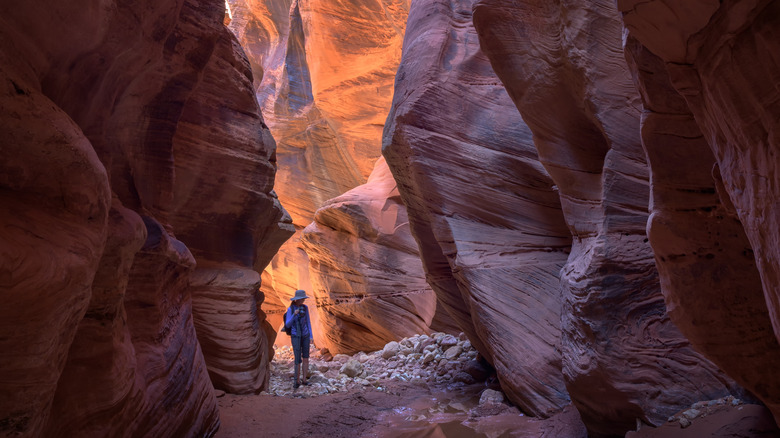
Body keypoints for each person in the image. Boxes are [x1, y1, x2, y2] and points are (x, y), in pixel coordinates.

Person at [284, 289, 313, 389]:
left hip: (305, 335)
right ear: (296, 299)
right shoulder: (290, 309)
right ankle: (296, 381)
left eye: (303, 299)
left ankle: (304, 380)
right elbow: (288, 324)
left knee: (306, 357)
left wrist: (311, 336)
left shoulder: (305, 308)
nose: (302, 301)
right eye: (301, 299)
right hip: (296, 335)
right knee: (297, 358)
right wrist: (294, 314)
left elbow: (308, 322)